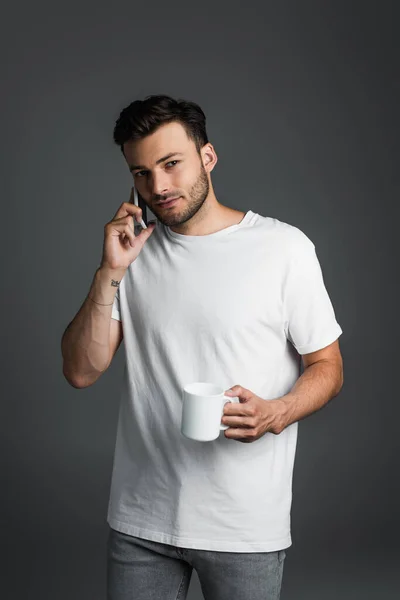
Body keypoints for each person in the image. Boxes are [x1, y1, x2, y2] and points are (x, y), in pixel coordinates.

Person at [61, 94, 344, 600]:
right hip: (140, 521)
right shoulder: (133, 255)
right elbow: (81, 370)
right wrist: (110, 272)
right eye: (142, 173)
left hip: (243, 524)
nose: (159, 187)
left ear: (207, 158)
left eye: (171, 164)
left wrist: (277, 412)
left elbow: (328, 366)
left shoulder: (284, 249)